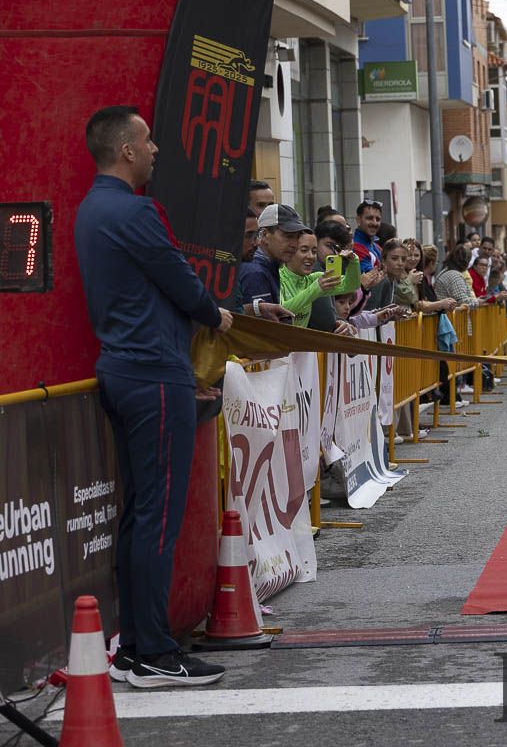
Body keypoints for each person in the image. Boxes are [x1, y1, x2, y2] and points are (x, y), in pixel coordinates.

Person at [75, 105, 232, 687]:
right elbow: (183, 284)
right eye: (147, 140)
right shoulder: (135, 211)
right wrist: (215, 313)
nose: (156, 148)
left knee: (140, 515)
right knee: (158, 519)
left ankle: (135, 648)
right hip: (153, 375)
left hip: (123, 370)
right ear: (126, 151)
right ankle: (155, 654)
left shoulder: (91, 210)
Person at [280, 231, 360, 328]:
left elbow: (351, 285)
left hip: (299, 337)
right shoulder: (277, 277)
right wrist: (316, 288)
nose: (310, 256)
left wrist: (353, 261)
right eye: (304, 250)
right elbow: (282, 311)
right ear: (290, 251)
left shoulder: (313, 279)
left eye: (314, 252)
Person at [239, 203, 309, 312]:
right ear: (264, 235)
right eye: (288, 236)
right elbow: (262, 322)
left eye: (298, 237)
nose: (295, 244)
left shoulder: (267, 266)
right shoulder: (256, 272)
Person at [353, 199, 384, 273]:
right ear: (358, 220)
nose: (374, 223)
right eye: (369, 218)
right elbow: (373, 276)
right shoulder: (355, 246)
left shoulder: (376, 246)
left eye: (378, 219)